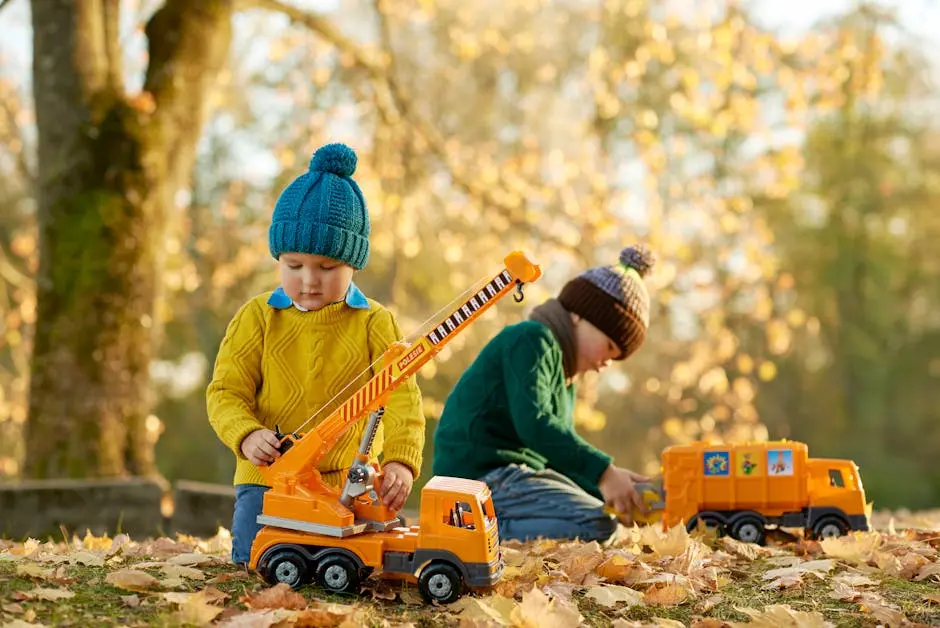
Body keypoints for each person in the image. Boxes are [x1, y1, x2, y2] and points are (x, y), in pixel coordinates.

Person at [207, 143, 425, 565]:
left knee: (369, 560)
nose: (309, 280)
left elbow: (402, 398)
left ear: (353, 265)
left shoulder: (375, 324)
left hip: (350, 479)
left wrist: (400, 461)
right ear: (279, 260)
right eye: (293, 265)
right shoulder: (257, 318)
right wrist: (247, 434)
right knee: (255, 557)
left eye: (327, 268)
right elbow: (225, 392)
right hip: (270, 479)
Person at [432, 245, 655, 543]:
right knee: (599, 525)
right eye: (610, 347)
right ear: (580, 316)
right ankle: (476, 536)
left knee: (605, 518)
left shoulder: (565, 378)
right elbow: (534, 424)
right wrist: (603, 472)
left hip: (515, 480)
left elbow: (555, 459)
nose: (605, 365)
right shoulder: (532, 340)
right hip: (482, 476)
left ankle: (487, 530)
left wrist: (609, 489)